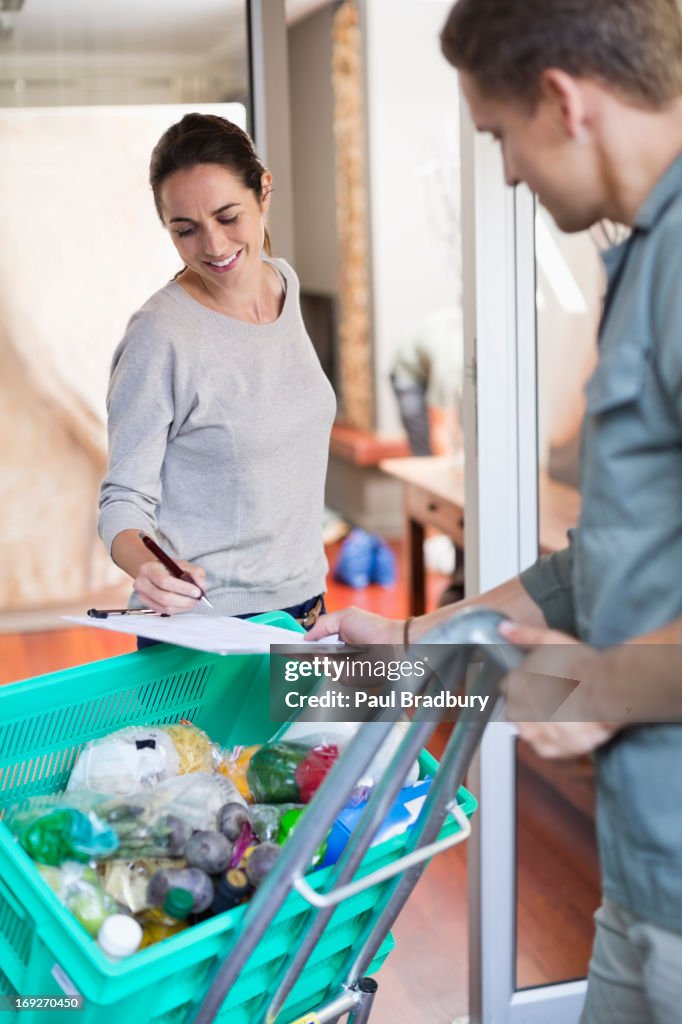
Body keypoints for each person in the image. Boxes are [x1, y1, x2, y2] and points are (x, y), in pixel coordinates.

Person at [308, 1, 682, 1020]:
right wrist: (408, 637)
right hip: (645, 868)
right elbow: (597, 562)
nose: (506, 172)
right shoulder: (646, 258)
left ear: (561, 102)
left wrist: (601, 684)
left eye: (497, 138)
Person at [98, 113, 336, 633]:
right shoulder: (160, 336)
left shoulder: (285, 285)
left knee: (350, 714)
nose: (213, 246)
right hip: (209, 622)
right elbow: (123, 501)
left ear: (264, 191)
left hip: (306, 604)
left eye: (228, 217)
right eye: (185, 229)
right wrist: (148, 568)